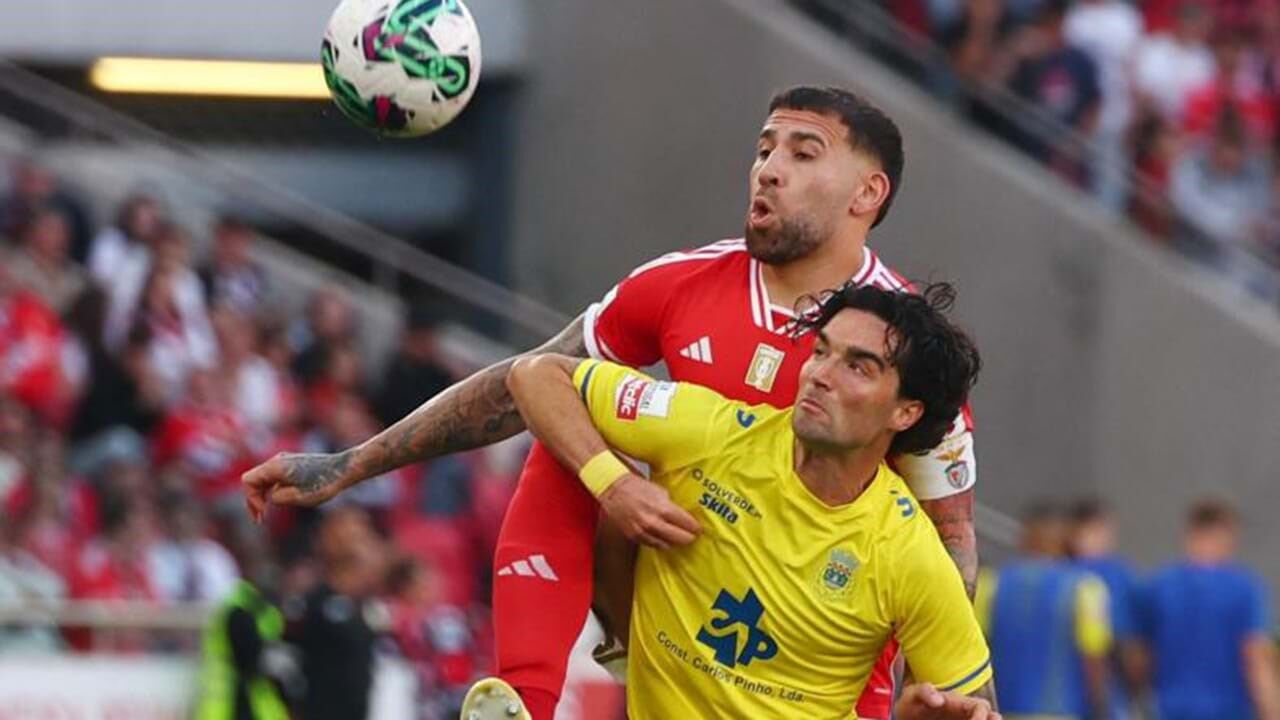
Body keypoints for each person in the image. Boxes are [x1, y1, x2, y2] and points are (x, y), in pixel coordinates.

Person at [243, 86, 982, 720]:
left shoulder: (902, 351)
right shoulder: (680, 285)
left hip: (816, 652)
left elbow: (949, 539)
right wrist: (351, 463)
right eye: (764, 149)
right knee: (568, 431)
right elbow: (526, 383)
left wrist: (932, 690)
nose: (768, 170)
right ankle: (525, 697)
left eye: (803, 153)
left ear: (866, 193)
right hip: (680, 610)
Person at [464, 282, 993, 719]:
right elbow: (537, 375)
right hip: (654, 678)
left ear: (905, 412)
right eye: (821, 351)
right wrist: (615, 484)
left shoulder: (909, 555)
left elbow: (977, 705)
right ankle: (537, 690)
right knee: (573, 447)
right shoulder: (713, 435)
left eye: (858, 367)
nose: (820, 375)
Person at [1136, 498, 1280, 720]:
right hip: (1229, 712)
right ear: (1227, 535)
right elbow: (1255, 658)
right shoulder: (1244, 589)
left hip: (1170, 710)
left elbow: (1141, 657)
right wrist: (1272, 712)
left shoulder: (1158, 587)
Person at [976, 502, 1112, 719]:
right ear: (1064, 540)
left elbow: (975, 649)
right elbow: (1093, 656)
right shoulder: (1086, 587)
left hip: (1005, 710)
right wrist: (1100, 707)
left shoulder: (989, 583)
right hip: (1063, 711)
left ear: (1024, 539)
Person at [1068, 498, 1141, 719]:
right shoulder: (1114, 576)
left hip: (1063, 693)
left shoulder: (1061, 572)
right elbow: (1125, 640)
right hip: (1104, 684)